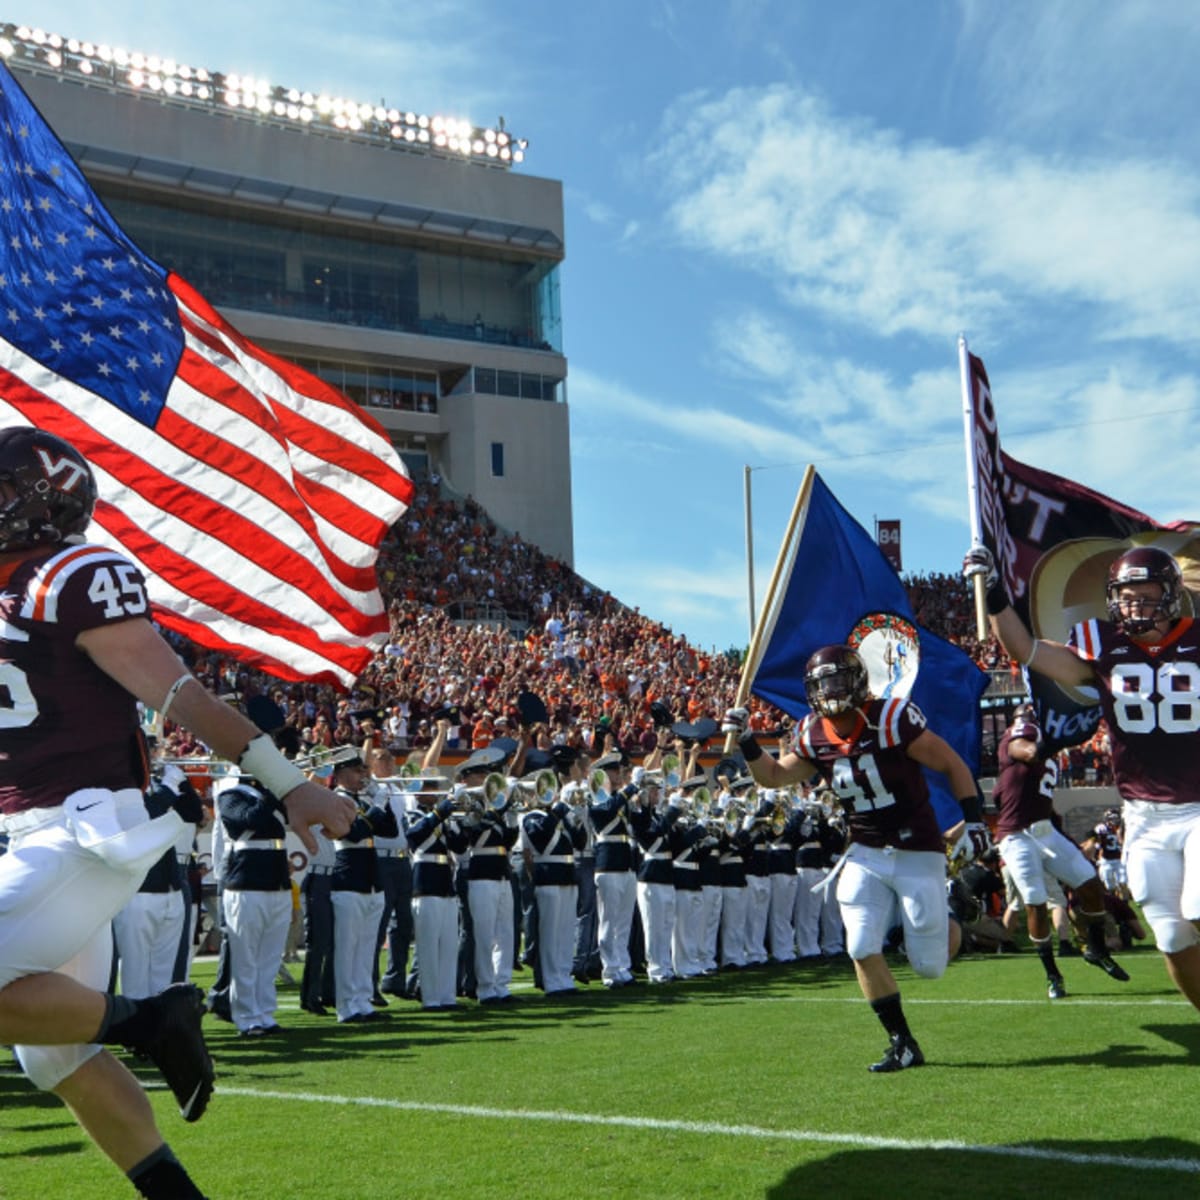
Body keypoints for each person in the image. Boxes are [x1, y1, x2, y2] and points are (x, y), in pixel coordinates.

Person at [0, 426, 354, 1199]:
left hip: (81, 830)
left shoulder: (71, 573)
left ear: (42, 505)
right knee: (53, 1056)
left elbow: (179, 696)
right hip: (29, 835)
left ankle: (150, 1019)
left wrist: (291, 784)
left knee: (64, 1033)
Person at [723, 643, 991, 1072]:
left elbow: (952, 764)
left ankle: (954, 905)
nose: (831, 690)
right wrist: (749, 742)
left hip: (916, 849)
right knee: (861, 945)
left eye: (838, 679)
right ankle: (902, 1042)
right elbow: (773, 778)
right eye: (822, 683)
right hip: (864, 851)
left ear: (858, 680)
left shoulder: (890, 718)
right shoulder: (812, 732)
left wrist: (974, 820)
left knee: (930, 967)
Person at [966, 543, 1200, 1013]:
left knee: (1197, 909)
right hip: (1145, 817)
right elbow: (1027, 650)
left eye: (1146, 591)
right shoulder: (1103, 645)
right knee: (1171, 936)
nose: (1135, 602)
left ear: (1171, 593)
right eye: (1126, 594)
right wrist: (993, 594)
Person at [990, 706, 1128, 999]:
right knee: (1035, 901)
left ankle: (1095, 948)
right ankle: (1053, 975)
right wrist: (1058, 738)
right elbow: (1026, 751)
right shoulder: (1018, 738)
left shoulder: (1047, 750)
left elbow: (1041, 799)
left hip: (1044, 830)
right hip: (1016, 836)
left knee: (1090, 882)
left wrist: (1062, 834)